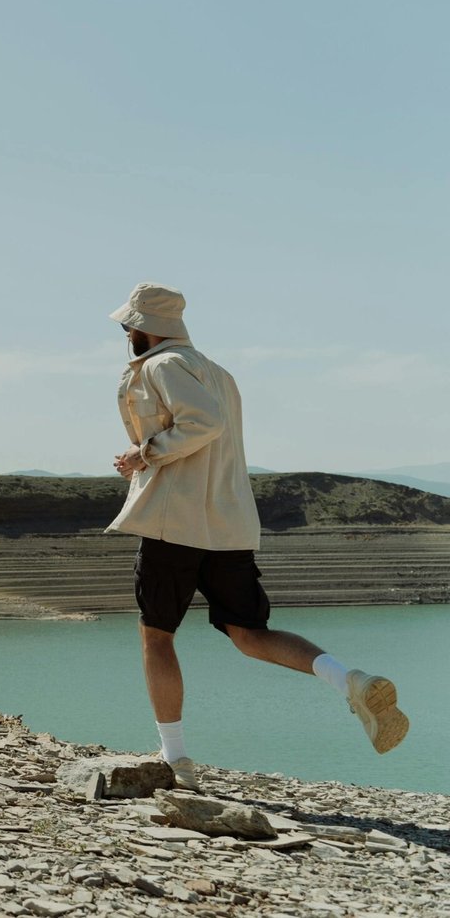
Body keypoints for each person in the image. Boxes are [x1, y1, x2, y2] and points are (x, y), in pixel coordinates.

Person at [106, 282, 408, 791]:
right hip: (227, 525)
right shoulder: (218, 372)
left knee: (156, 636)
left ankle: (176, 758)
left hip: (174, 523)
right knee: (250, 635)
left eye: (129, 324)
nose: (126, 332)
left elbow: (205, 424)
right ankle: (349, 680)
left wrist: (145, 453)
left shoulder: (161, 365)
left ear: (149, 327)